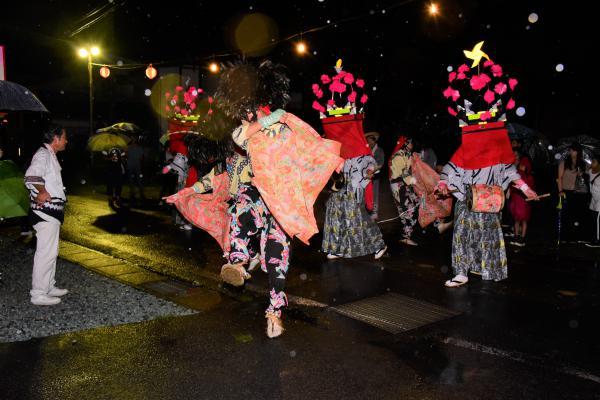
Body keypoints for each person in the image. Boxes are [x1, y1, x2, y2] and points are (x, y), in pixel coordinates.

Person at [23, 124, 69, 306]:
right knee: (45, 253)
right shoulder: (43, 155)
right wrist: (41, 191)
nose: (66, 140)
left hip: (51, 213)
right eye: (64, 137)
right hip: (45, 212)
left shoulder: (50, 155)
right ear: (55, 139)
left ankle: (48, 286)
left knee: (52, 251)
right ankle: (39, 293)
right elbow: (31, 176)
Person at [389, 136, 419, 246]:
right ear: (405, 144)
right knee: (407, 210)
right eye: (410, 143)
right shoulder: (398, 156)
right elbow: (403, 172)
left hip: (404, 184)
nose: (412, 145)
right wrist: (411, 179)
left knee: (413, 206)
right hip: (398, 185)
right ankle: (406, 236)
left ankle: (407, 235)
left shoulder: (407, 155)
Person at [557, 143, 590, 243]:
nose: (571, 152)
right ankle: (566, 237)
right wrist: (560, 190)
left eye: (574, 150)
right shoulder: (564, 163)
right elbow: (559, 178)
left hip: (580, 193)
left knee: (578, 215)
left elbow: (589, 177)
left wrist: (583, 174)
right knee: (567, 215)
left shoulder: (584, 164)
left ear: (578, 152)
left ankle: (577, 236)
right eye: (571, 150)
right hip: (566, 191)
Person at [509, 149, 535, 247]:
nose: (515, 156)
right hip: (515, 196)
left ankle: (522, 238)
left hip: (524, 197)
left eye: (516, 154)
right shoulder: (511, 166)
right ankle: (516, 236)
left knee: (524, 218)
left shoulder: (524, 165)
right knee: (516, 218)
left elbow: (529, 181)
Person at [365, 132, 384, 220]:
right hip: (367, 176)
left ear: (374, 141)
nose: (368, 143)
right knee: (368, 194)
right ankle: (368, 210)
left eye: (370, 141)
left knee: (375, 193)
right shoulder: (366, 150)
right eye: (367, 141)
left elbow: (380, 163)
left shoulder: (379, 150)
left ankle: (375, 212)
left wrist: (372, 171)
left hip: (375, 175)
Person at [586, 153, 600, 248]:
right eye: (592, 161)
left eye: (594, 162)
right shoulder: (591, 171)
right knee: (594, 221)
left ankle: (598, 241)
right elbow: (586, 173)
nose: (592, 163)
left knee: (598, 221)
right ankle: (594, 238)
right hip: (594, 200)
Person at [126, 136, 145, 203]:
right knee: (136, 180)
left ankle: (135, 194)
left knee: (134, 180)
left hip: (133, 165)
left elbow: (126, 156)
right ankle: (137, 194)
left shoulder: (129, 148)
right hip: (134, 165)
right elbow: (142, 158)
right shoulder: (131, 148)